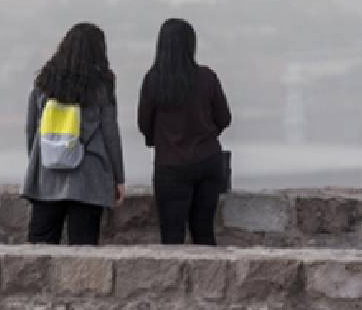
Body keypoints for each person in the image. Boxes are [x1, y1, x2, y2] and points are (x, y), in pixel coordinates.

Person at [22, 22, 125, 245]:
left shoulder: (43, 84)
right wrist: (118, 177)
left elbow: (32, 131)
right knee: (84, 253)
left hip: (48, 178)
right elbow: (110, 134)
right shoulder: (102, 86)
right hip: (89, 179)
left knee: (39, 251)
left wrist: (39, 164)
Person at [138, 18, 232, 244]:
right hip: (208, 160)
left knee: (172, 235)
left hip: (170, 165)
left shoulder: (154, 81)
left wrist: (159, 140)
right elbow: (224, 118)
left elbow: (143, 123)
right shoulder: (207, 77)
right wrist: (205, 134)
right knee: (204, 232)